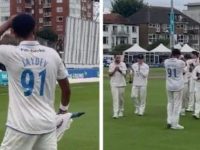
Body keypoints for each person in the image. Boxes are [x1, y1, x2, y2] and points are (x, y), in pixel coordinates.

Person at [0, 14, 71, 150]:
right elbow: (66, 89)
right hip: (47, 125)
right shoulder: (52, 54)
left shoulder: (10, 53)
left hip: (20, 126)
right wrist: (62, 111)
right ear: (34, 28)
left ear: (13, 31)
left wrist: (9, 22)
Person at [164, 49, 185, 130]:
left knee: (170, 103)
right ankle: (174, 124)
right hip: (178, 86)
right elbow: (184, 68)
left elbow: (170, 60)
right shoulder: (181, 62)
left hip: (169, 85)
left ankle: (169, 120)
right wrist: (181, 57)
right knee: (177, 105)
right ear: (178, 55)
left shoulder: (166, 62)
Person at [108, 54, 127, 119]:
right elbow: (110, 74)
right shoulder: (111, 64)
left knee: (121, 99)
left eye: (119, 58)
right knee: (115, 99)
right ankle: (115, 113)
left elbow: (125, 74)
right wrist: (115, 70)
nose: (118, 59)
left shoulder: (123, 64)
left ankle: (121, 110)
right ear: (114, 58)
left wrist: (119, 70)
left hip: (122, 83)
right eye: (117, 58)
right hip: (113, 84)